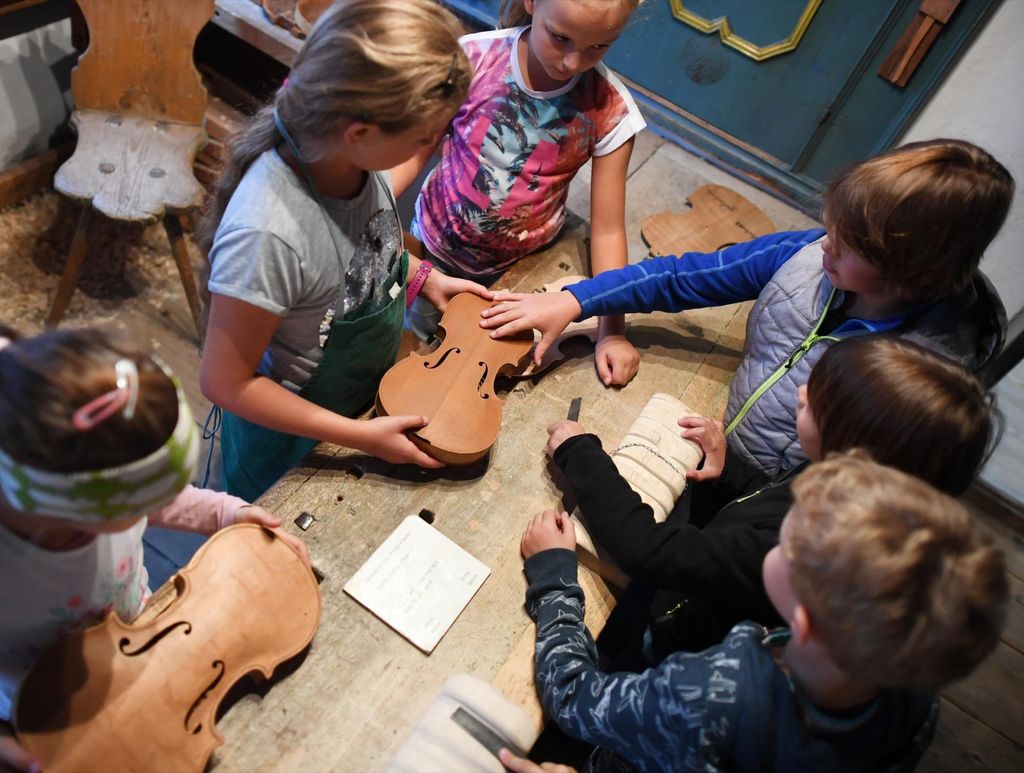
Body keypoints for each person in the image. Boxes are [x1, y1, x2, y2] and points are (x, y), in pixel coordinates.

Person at [481, 139, 1015, 476]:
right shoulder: (807, 255)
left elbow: (852, 489)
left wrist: (747, 485)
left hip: (769, 498)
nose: (825, 244)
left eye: (848, 245)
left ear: (913, 275)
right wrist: (577, 299)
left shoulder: (918, 376)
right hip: (717, 440)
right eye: (832, 227)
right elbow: (680, 277)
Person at [519, 453, 1008, 772]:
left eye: (786, 537)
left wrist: (555, 576)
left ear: (805, 619)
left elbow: (575, 698)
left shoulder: (715, 692)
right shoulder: (917, 701)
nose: (774, 532)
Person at [198, 0, 493, 501]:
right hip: (290, 448)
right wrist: (361, 437)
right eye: (424, 139)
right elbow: (225, 383)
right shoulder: (266, 237)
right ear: (360, 133)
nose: (433, 148)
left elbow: (360, 245)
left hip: (359, 404)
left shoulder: (346, 159)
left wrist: (422, 277)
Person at [544, 336, 1000, 660]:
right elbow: (768, 497)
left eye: (818, 399)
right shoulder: (843, 487)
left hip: (667, 643)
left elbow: (645, 550)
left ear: (854, 446)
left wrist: (579, 451)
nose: (801, 392)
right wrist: (728, 474)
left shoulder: (800, 545)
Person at [0, 325, 308, 771]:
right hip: (41, 712)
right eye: (139, 507)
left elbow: (163, 501)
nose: (158, 507)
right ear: (77, 510)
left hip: (137, 638)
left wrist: (226, 513)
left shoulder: (84, 496)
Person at [394, 0, 647, 387]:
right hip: (433, 245)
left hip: (514, 273)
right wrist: (369, 212)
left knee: (478, 361)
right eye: (560, 38)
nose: (572, 62)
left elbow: (609, 230)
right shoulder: (472, 59)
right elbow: (414, 150)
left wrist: (612, 330)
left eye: (597, 47)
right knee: (417, 332)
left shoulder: (610, 110)